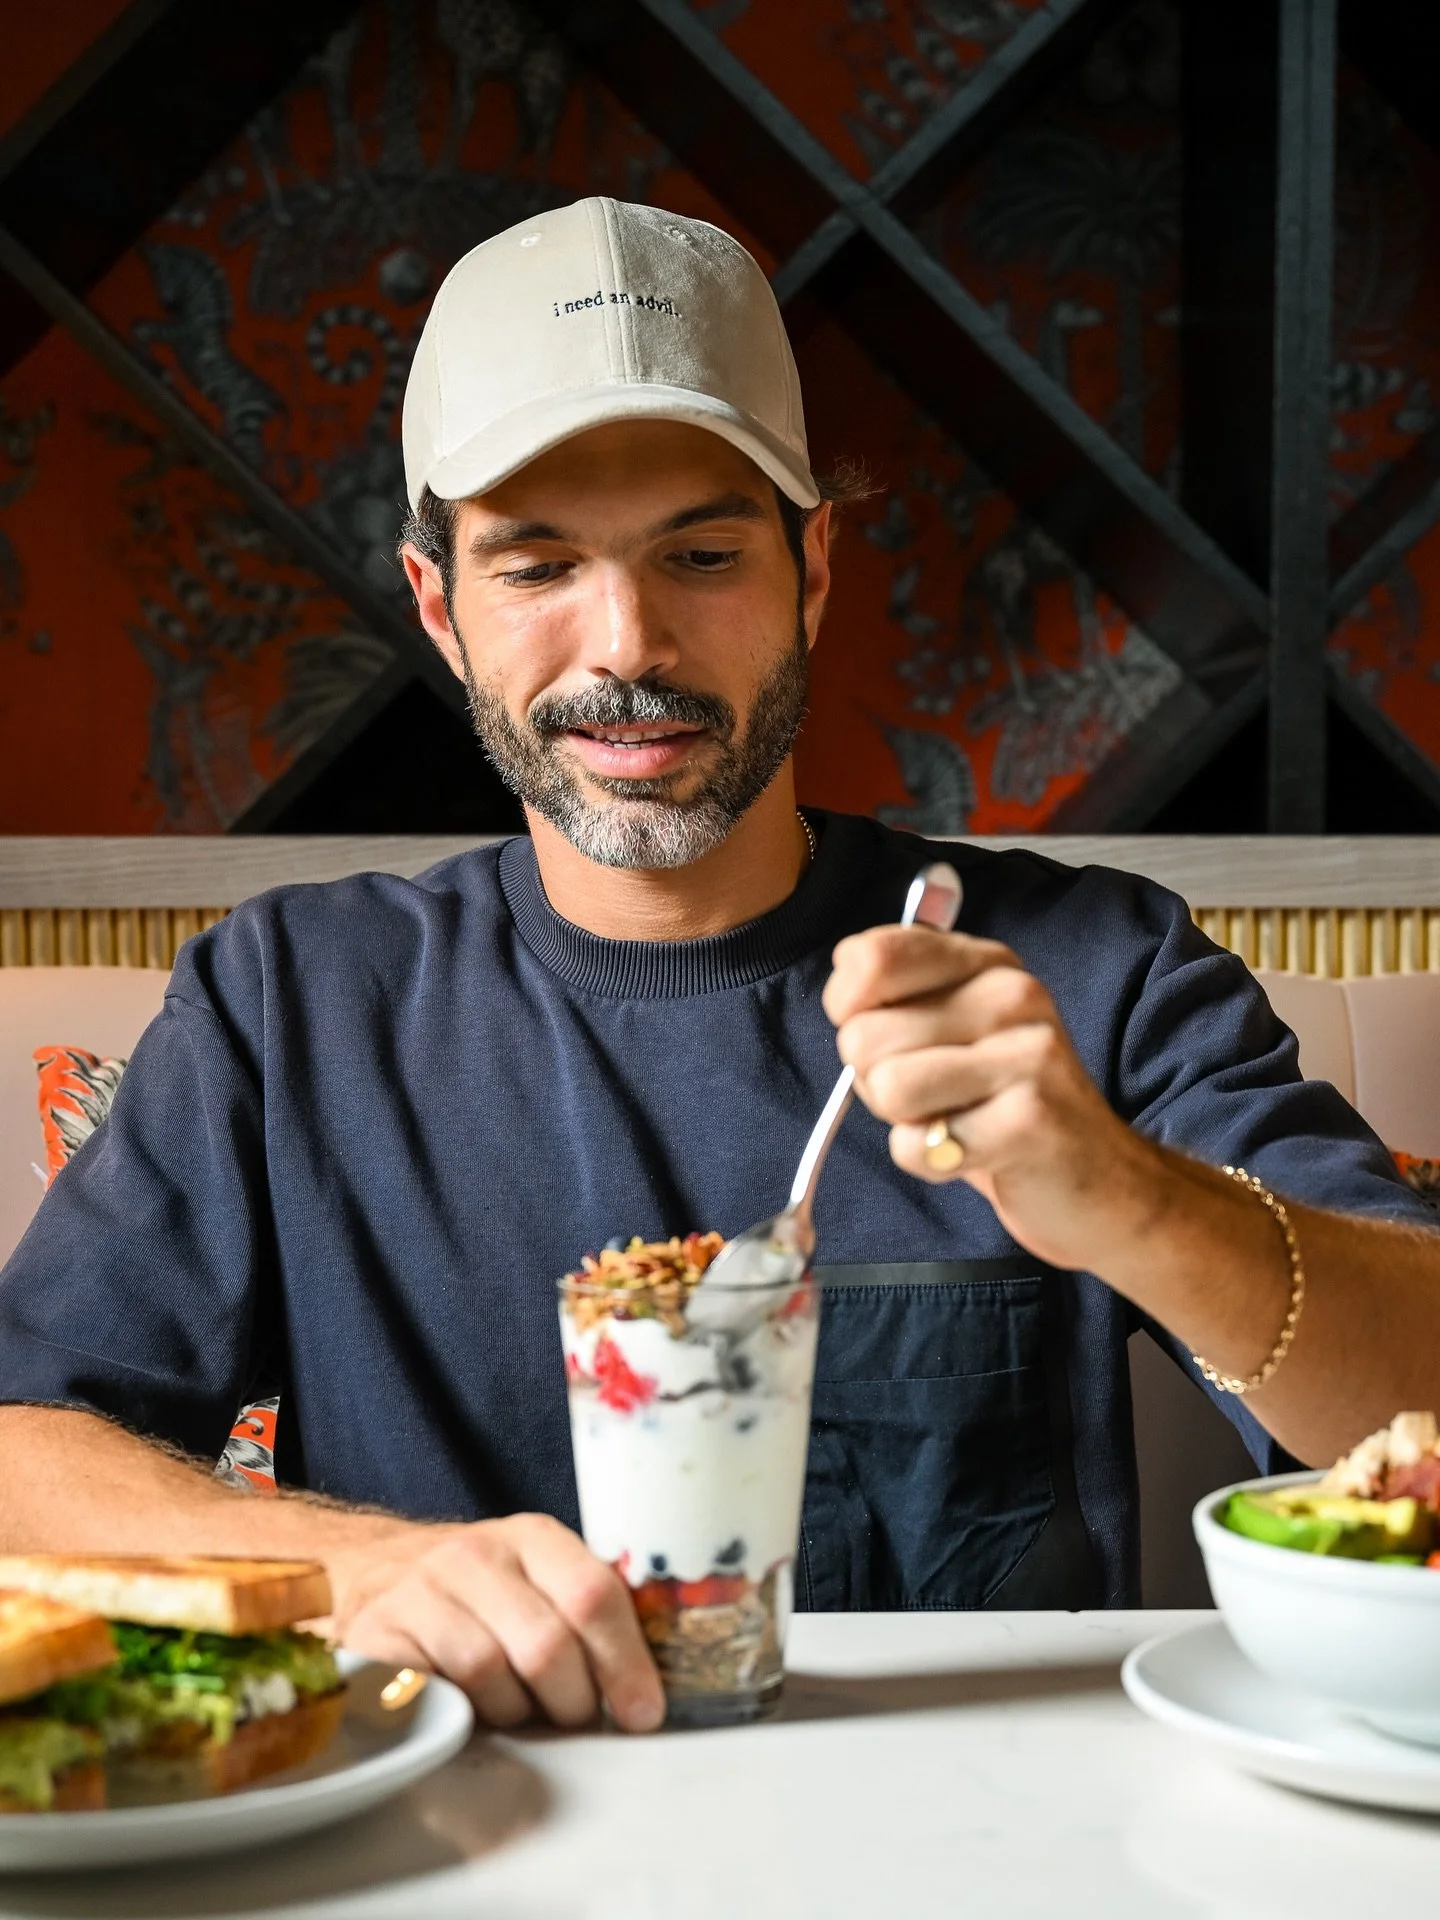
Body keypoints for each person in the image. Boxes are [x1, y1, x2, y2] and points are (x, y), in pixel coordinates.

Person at [1, 199, 1436, 1736]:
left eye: (700, 552)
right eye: (538, 566)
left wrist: (1134, 1199)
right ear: (438, 606)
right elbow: (23, 1454)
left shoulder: (1091, 974)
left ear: (814, 569)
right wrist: (356, 1568)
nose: (626, 642)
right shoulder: (289, 1002)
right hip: (442, 1840)